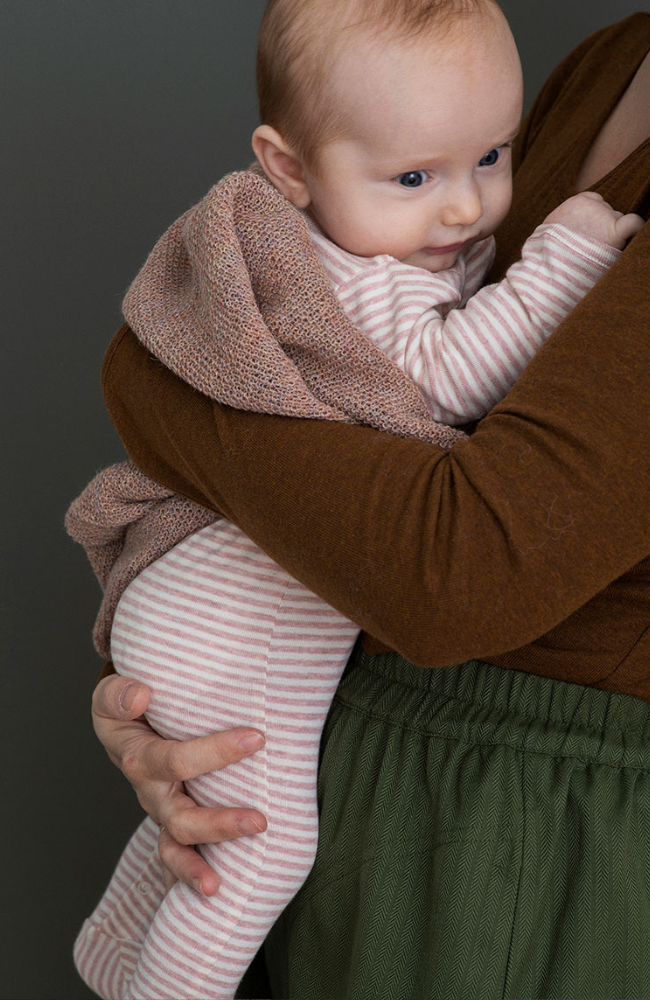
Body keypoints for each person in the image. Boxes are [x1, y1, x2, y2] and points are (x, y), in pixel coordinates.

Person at [86, 7, 650, 1000]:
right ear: (288, 168)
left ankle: (121, 954)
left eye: (490, 160)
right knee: (237, 855)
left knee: (216, 851)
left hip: (527, 816)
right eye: (415, 178)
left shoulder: (354, 240)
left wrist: (173, 389)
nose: (465, 212)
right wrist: (563, 261)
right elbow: (445, 382)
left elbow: (455, 571)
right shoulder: (608, 63)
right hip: (356, 720)